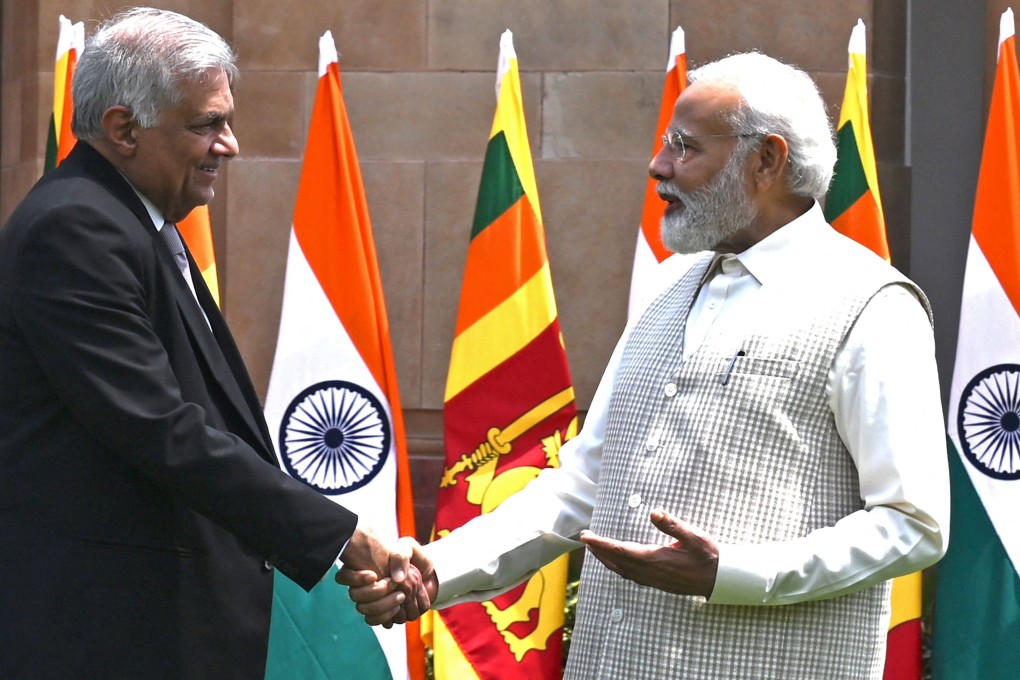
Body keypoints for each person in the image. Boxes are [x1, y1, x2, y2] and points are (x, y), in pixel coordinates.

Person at [341, 51, 950, 679]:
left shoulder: (872, 304)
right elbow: (585, 484)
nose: (659, 167)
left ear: (766, 160)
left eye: (685, 148)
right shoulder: (668, 283)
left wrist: (733, 574)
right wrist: (440, 569)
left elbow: (913, 524)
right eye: (667, 144)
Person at [0, 8, 425, 679]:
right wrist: (344, 538)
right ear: (123, 129)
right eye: (206, 125)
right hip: (108, 640)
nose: (230, 144)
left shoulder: (136, 224)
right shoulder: (77, 229)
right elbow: (164, 431)